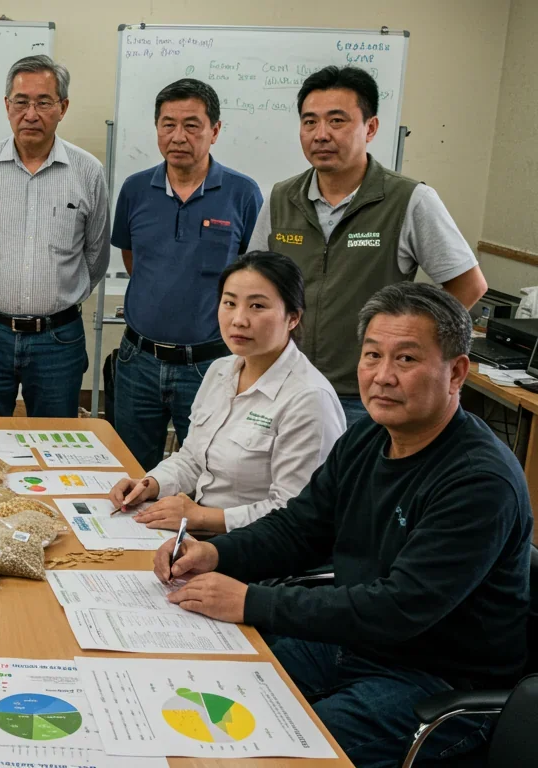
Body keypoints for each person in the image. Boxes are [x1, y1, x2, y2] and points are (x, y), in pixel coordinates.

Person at [155, 282, 531, 768]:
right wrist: (216, 553)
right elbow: (300, 528)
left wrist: (251, 600)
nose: (383, 376)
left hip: (434, 681)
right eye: (372, 355)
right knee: (199, 692)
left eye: (406, 359)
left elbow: (398, 608)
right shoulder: (368, 437)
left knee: (267, 753)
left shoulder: (479, 481)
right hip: (353, 644)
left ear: (456, 372)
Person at [247, 65, 486, 425]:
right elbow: (255, 286)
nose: (321, 134)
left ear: (370, 128)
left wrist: (413, 347)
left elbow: (469, 285)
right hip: (286, 385)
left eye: (337, 121)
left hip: (366, 395)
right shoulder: (281, 198)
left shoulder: (409, 200)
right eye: (310, 122)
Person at [107, 252, 345, 533]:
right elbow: (193, 459)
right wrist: (151, 484)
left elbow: (296, 513)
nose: (239, 320)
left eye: (257, 306)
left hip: (255, 546)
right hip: (198, 531)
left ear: (293, 317)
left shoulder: (309, 399)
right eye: (230, 303)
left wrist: (200, 517)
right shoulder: (220, 370)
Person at [112, 79, 263, 470]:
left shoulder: (242, 194)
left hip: (210, 364)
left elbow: (253, 275)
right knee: (131, 471)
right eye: (168, 124)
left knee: (210, 473)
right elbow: (133, 260)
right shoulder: (134, 189)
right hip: (138, 362)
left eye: (192, 125)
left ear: (215, 130)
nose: (178, 136)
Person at [0, 55, 109, 417]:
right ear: (7, 106)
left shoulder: (88, 171)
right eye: (21, 102)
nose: (31, 114)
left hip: (58, 339)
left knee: (55, 439)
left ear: (63, 107)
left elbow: (95, 255)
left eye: (44, 102)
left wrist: (57, 297)